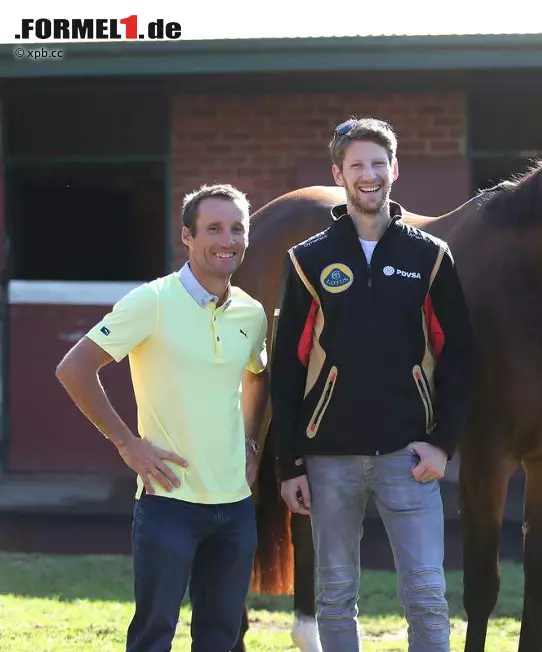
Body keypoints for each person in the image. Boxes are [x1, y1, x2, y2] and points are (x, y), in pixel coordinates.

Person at [268, 117, 477, 651]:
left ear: (395, 170)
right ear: (338, 173)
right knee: (335, 594)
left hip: (409, 456)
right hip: (329, 458)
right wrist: (289, 462)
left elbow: (459, 354)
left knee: (427, 592)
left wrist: (443, 443)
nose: (369, 175)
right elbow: (288, 367)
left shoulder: (429, 256)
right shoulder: (309, 260)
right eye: (357, 165)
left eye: (378, 164)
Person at [55, 183, 269, 652]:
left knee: (223, 637)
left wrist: (252, 445)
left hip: (234, 507)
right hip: (168, 502)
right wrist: (127, 443)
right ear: (187, 237)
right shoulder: (150, 301)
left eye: (237, 229)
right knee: (153, 636)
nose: (227, 240)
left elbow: (257, 377)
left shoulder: (252, 314)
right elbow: (74, 369)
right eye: (213, 228)